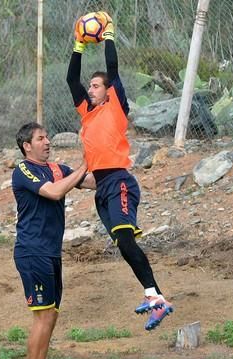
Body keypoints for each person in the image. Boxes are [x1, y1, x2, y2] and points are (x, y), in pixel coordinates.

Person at [66, 11, 174, 331]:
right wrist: (78, 45)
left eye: (96, 85)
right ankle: (154, 297)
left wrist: (108, 35)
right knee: (123, 245)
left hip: (120, 183)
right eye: (92, 85)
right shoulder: (87, 114)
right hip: (101, 188)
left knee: (126, 241)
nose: (91, 88)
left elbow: (112, 70)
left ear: (107, 90)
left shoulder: (115, 106)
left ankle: (159, 299)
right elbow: (72, 80)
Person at [12, 122, 95, 359]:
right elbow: (54, 192)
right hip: (32, 251)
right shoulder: (24, 170)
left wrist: (111, 165)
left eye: (47, 137)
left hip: (50, 252)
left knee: (51, 314)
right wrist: (84, 166)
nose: (47, 142)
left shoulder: (58, 168)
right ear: (27, 146)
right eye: (41, 138)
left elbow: (90, 181)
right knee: (44, 315)